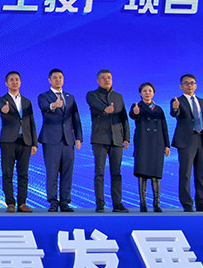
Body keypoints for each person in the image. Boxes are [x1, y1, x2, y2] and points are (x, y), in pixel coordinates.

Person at [37, 68, 82, 212]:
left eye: (60, 77)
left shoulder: (70, 97)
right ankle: (53, 202)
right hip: (51, 140)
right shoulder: (44, 96)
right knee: (52, 172)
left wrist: (79, 137)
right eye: (55, 77)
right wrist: (53, 105)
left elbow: (76, 118)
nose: (58, 80)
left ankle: (65, 202)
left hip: (68, 140)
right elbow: (44, 107)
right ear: (49, 80)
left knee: (67, 172)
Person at [86, 69, 130, 213]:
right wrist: (105, 109)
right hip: (100, 139)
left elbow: (124, 118)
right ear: (98, 81)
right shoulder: (92, 95)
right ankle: (100, 204)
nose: (107, 80)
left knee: (116, 173)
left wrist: (126, 137)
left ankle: (117, 204)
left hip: (117, 139)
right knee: (99, 172)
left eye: (109, 77)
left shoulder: (118, 97)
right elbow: (96, 105)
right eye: (103, 78)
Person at [169, 74, 203, 212]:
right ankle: (187, 204)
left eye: (192, 83)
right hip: (186, 141)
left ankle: (201, 203)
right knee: (185, 174)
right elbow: (174, 114)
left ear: (196, 85)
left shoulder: (202, 102)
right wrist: (175, 108)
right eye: (186, 83)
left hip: (202, 139)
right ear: (181, 86)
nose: (189, 85)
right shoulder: (177, 100)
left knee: (201, 174)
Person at [0, 71, 37, 213]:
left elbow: (31, 122)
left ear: (20, 82)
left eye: (17, 79)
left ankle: (22, 203)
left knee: (23, 174)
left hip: (25, 141)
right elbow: (0, 107)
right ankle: (10, 203)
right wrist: (4, 109)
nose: (14, 82)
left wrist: (34, 143)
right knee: (7, 173)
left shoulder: (27, 101)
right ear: (6, 83)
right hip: (8, 141)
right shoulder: (2, 99)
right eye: (11, 80)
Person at [129, 83, 170, 212]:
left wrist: (167, 145)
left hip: (157, 143)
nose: (147, 93)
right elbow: (133, 115)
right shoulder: (137, 106)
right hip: (143, 142)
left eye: (150, 91)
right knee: (142, 172)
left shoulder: (159, 109)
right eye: (144, 91)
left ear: (153, 93)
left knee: (156, 173)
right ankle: (143, 203)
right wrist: (135, 113)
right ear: (140, 93)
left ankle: (157, 203)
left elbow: (164, 127)